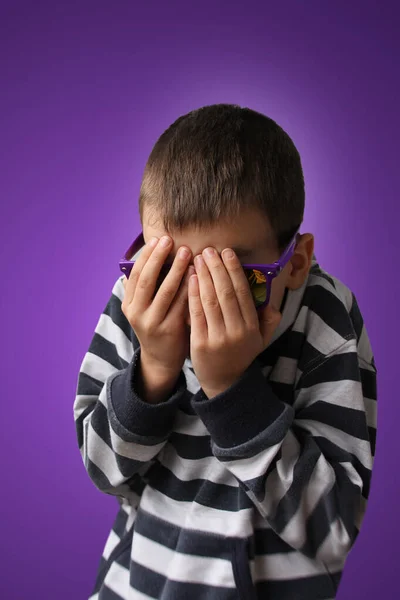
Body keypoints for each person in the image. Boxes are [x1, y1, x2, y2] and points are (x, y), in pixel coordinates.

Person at [74, 104, 377, 600]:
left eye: (237, 278)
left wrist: (232, 389)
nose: (199, 307)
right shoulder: (141, 300)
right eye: (170, 268)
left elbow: (330, 529)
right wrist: (154, 366)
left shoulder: (326, 320)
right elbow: (105, 471)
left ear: (295, 262)